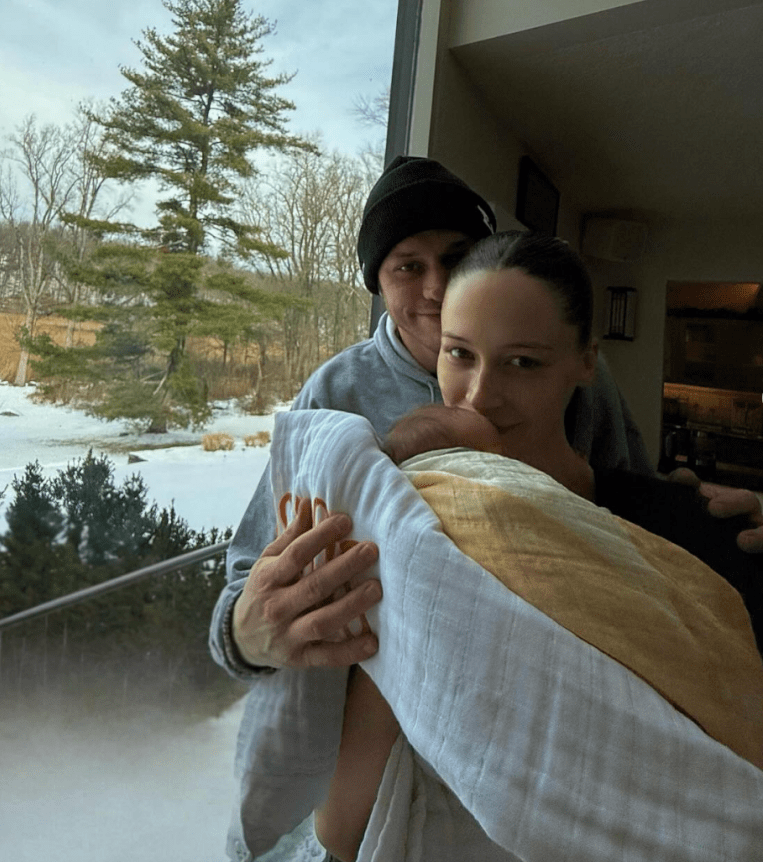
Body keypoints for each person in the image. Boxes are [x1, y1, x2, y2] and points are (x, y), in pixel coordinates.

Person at [209, 155, 763, 684]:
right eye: (408, 266)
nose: (437, 287)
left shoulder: (583, 380)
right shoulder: (334, 395)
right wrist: (245, 638)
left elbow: (631, 522)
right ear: (377, 284)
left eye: (455, 257)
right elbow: (247, 582)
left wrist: (712, 521)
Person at [314, 231, 763, 861]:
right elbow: (343, 828)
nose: (479, 395)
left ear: (586, 361)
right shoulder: (409, 530)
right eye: (459, 354)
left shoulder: (693, 527)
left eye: (523, 362)